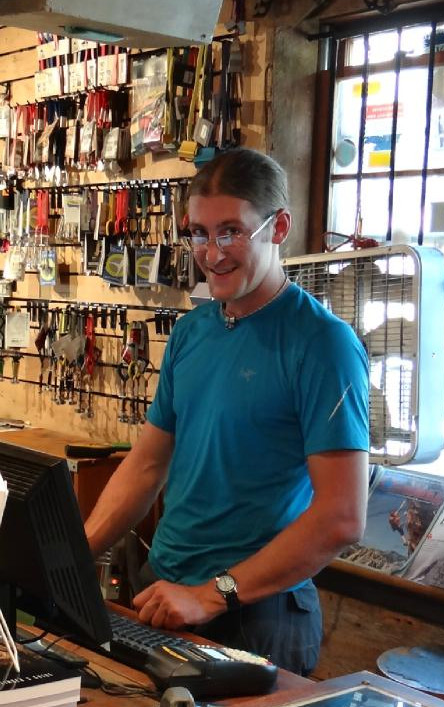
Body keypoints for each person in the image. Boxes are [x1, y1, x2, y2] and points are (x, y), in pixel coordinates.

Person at [85, 148, 370, 676]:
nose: (211, 252)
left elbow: (342, 516)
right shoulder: (192, 332)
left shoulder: (323, 346)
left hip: (256, 617)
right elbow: (147, 465)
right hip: (163, 597)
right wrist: (71, 555)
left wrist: (213, 595)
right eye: (198, 233)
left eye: (230, 232)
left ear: (278, 226)